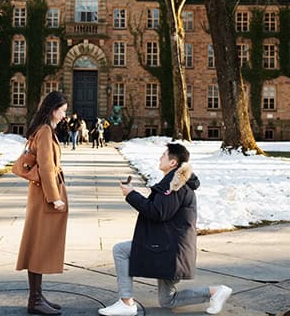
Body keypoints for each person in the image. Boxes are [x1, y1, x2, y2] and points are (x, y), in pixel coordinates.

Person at [98, 143, 232, 316]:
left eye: (164, 155)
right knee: (168, 301)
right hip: (171, 247)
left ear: (173, 163)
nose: (160, 157)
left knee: (121, 250)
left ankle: (126, 303)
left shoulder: (175, 185)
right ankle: (216, 291)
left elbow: (158, 212)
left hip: (169, 249)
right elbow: (161, 209)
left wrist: (131, 194)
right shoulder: (176, 182)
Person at [16, 91, 69, 316]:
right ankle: (35, 300)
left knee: (38, 244)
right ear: (53, 110)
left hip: (39, 194)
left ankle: (36, 296)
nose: (65, 115)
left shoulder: (44, 130)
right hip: (44, 196)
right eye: (63, 111)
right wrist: (54, 197)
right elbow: (46, 166)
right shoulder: (46, 131)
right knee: (39, 245)